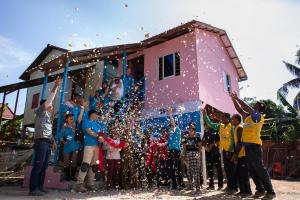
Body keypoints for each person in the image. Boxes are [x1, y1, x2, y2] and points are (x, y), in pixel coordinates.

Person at [230, 92, 276, 200]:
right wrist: (233, 99)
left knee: (260, 169)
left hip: (255, 146)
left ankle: (270, 192)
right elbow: (240, 109)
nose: (254, 105)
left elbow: (246, 107)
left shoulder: (258, 117)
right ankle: (260, 190)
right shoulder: (247, 117)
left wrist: (237, 97)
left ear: (259, 109)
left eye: (256, 105)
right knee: (252, 170)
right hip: (248, 147)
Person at [29, 77, 61, 196]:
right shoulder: (40, 112)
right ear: (44, 105)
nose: (52, 105)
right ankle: (33, 189)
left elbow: (48, 131)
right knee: (38, 165)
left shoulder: (48, 118)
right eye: (50, 104)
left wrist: (53, 141)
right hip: (41, 142)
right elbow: (50, 99)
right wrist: (56, 86)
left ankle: (39, 187)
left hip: (47, 143)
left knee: (44, 166)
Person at [202, 109, 238, 194]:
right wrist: (205, 115)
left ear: (228, 119)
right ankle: (229, 186)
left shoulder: (232, 127)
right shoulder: (220, 126)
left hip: (231, 151)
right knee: (227, 169)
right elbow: (210, 124)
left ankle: (234, 187)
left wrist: (230, 151)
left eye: (223, 117)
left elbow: (233, 140)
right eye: (221, 117)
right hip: (225, 151)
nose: (221, 119)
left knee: (232, 170)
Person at [74, 110, 105, 193]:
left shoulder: (98, 124)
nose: (97, 115)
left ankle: (90, 184)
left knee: (94, 166)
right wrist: (98, 136)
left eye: (97, 114)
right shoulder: (86, 121)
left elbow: (102, 134)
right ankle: (79, 185)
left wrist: (101, 138)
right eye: (95, 114)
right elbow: (88, 131)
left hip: (97, 146)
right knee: (85, 164)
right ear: (91, 114)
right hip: (88, 145)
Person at [231, 114, 252, 198]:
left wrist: (235, 154)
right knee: (239, 173)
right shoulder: (236, 127)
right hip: (240, 154)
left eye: (232, 119)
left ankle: (248, 192)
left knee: (244, 174)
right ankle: (242, 191)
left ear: (237, 120)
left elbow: (239, 142)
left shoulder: (240, 127)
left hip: (243, 154)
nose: (231, 120)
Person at [166, 107, 184, 190]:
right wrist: (162, 144)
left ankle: (181, 184)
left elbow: (173, 123)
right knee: (171, 168)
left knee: (178, 168)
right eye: (170, 125)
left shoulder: (177, 130)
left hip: (176, 151)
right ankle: (174, 184)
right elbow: (168, 142)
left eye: (171, 125)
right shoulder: (170, 132)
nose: (170, 126)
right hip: (170, 151)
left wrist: (170, 114)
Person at [182, 123, 202, 191]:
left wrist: (198, 154)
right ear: (188, 129)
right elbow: (184, 147)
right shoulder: (185, 137)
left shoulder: (197, 137)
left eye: (193, 128)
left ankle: (198, 187)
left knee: (196, 171)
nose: (191, 129)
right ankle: (190, 186)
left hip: (195, 154)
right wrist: (183, 155)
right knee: (189, 171)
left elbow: (200, 147)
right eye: (190, 128)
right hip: (188, 154)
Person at [202, 125, 223, 190]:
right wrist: (206, 147)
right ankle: (211, 185)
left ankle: (220, 186)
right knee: (209, 169)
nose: (206, 125)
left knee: (219, 169)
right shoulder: (205, 132)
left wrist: (212, 145)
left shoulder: (215, 131)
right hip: (208, 153)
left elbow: (218, 141)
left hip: (215, 153)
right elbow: (203, 142)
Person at [61, 114, 81, 181]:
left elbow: (79, 136)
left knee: (74, 161)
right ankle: (67, 176)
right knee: (66, 162)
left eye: (72, 118)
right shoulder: (64, 128)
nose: (72, 119)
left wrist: (74, 128)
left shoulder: (76, 126)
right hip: (67, 147)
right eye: (70, 118)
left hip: (75, 146)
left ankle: (73, 176)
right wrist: (64, 142)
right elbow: (61, 137)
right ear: (66, 119)